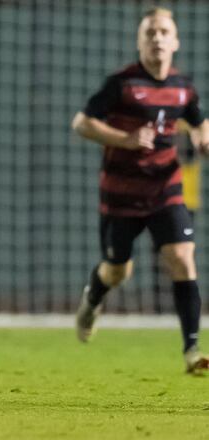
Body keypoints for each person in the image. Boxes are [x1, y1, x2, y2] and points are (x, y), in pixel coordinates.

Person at [72, 7, 209, 374]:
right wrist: (126, 139)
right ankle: (93, 298)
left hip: (165, 188)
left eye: (164, 32)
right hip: (120, 194)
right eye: (150, 32)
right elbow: (82, 124)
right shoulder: (122, 85)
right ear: (139, 41)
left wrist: (202, 138)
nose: (158, 39)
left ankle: (192, 352)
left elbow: (199, 121)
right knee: (118, 271)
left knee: (182, 257)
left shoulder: (183, 87)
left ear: (176, 40)